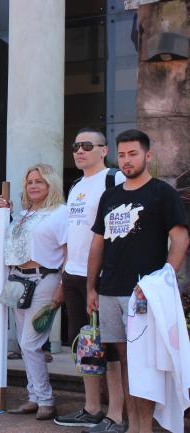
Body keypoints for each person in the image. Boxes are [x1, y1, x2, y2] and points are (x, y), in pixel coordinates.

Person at [86, 129, 188, 433]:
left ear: (148, 156)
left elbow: (181, 240)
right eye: (123, 154)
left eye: (133, 153)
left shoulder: (162, 193)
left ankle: (145, 428)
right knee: (123, 362)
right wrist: (92, 286)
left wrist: (162, 283)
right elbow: (97, 244)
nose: (127, 160)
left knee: (142, 365)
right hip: (109, 291)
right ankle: (133, 426)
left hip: (143, 295)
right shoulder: (111, 195)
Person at [54, 128, 126, 430]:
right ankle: (92, 407)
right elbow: (74, 234)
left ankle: (117, 415)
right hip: (74, 275)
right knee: (84, 345)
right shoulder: (76, 186)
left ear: (104, 150)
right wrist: (65, 273)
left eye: (87, 146)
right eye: (75, 146)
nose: (79, 151)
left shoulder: (115, 179)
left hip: (103, 278)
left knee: (110, 349)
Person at [5, 164, 67, 420]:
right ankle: (33, 396)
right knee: (24, 342)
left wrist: (63, 286)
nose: (32, 186)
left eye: (39, 181)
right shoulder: (23, 214)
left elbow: (69, 251)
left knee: (32, 343)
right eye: (29, 181)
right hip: (18, 280)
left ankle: (45, 398)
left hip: (45, 280)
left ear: (50, 184)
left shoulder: (61, 213)